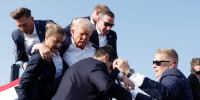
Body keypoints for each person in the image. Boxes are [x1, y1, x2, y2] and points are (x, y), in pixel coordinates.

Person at [52, 45, 132, 100]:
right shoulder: (95, 65)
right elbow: (106, 86)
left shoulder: (86, 65)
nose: (110, 71)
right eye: (111, 67)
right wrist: (128, 96)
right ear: (106, 57)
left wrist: (120, 89)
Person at [15, 22, 68, 100]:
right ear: (46, 37)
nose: (59, 45)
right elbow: (23, 84)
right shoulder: (39, 57)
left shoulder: (59, 57)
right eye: (56, 41)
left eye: (61, 42)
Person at [128, 48, 193, 100]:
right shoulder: (171, 79)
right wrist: (131, 92)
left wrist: (129, 73)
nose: (153, 66)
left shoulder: (173, 74)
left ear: (171, 65)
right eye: (153, 62)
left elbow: (165, 94)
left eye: (157, 62)